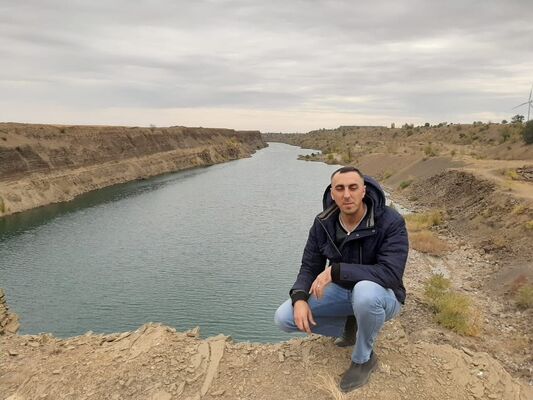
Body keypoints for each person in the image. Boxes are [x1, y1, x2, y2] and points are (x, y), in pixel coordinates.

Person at [274, 166, 408, 392]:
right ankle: (349, 325)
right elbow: (309, 266)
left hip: (384, 295)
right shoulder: (323, 223)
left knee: (365, 293)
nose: (347, 195)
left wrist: (337, 271)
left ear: (363, 191)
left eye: (353, 188)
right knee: (284, 318)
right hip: (343, 292)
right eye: (340, 188)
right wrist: (299, 298)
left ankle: (364, 359)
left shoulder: (390, 221)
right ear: (332, 193)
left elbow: (390, 274)